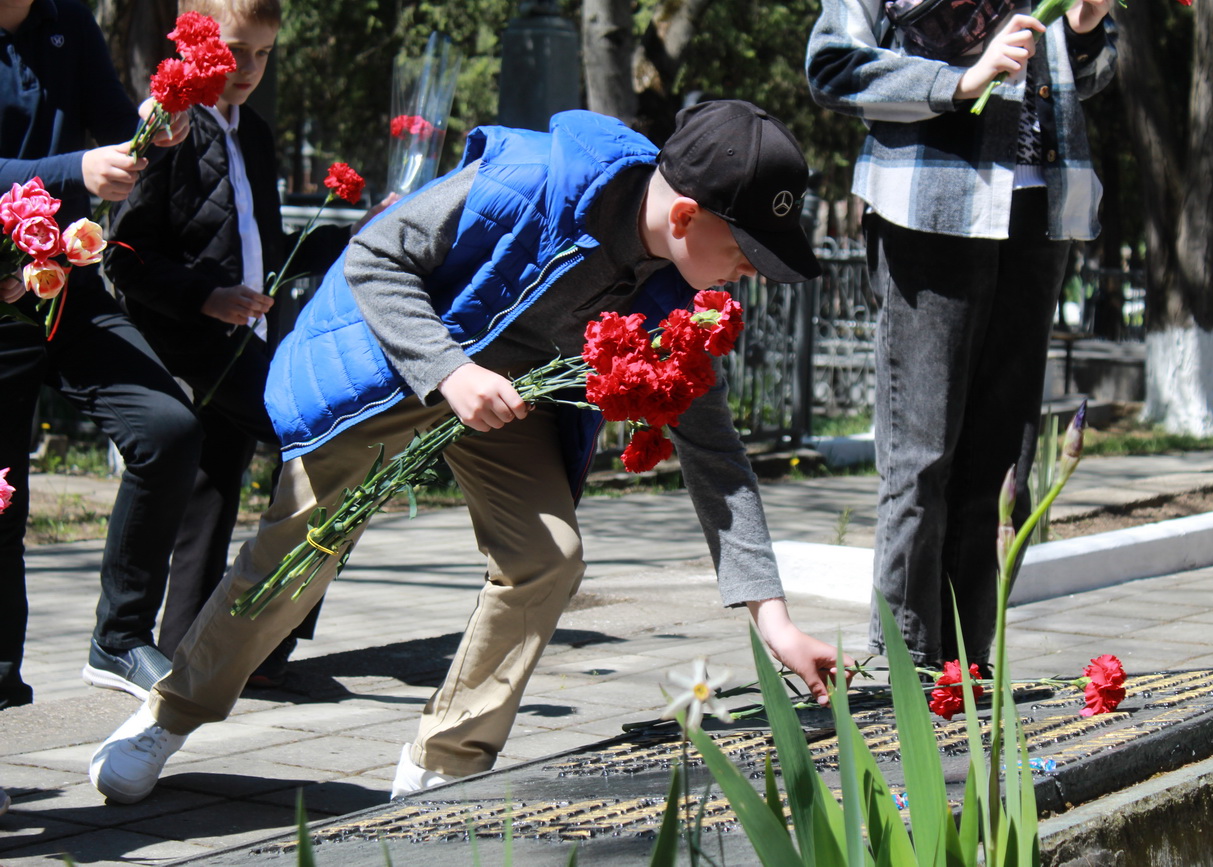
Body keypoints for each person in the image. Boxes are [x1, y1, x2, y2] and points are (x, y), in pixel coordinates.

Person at [89, 98, 853, 804]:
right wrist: (448, 370)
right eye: (747, 249)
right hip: (399, 361)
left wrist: (773, 618)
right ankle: (169, 711)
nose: (752, 272)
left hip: (507, 401)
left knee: (547, 554)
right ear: (685, 215)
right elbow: (375, 257)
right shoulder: (532, 179)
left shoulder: (679, 303)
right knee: (300, 547)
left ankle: (441, 762)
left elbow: (716, 454)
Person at [806, 0, 1117, 668]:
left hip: (1038, 212)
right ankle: (904, 680)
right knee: (921, 460)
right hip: (929, 208)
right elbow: (831, 65)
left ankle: (967, 672)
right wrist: (962, 80)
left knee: (1006, 467)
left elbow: (1084, 74)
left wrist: (1085, 30)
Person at [102, 0, 382, 686]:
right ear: (198, 45)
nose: (248, 68)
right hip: (195, 347)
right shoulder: (168, 129)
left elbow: (269, 245)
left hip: (240, 344)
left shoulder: (252, 133)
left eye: (262, 53)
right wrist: (207, 296)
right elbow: (124, 259)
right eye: (233, 51)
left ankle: (191, 655)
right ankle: (269, 633)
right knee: (333, 445)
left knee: (212, 492)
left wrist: (355, 235)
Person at [0, 0, 200, 709]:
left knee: (168, 429)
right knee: (1, 509)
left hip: (63, 285)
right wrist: (73, 170)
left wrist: (158, 126)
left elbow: (118, 130)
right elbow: (77, 166)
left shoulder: (66, 21)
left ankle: (119, 635)